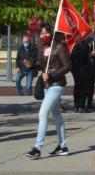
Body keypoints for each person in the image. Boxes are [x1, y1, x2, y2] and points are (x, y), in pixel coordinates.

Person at [26, 26, 70, 159]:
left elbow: (67, 66)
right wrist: (32, 65)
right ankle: (63, 146)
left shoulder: (59, 46)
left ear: (52, 33)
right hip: (46, 85)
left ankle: (37, 147)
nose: (44, 35)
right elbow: (41, 64)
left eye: (46, 32)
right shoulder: (42, 47)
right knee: (57, 115)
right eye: (42, 33)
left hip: (57, 84)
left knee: (42, 114)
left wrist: (51, 75)